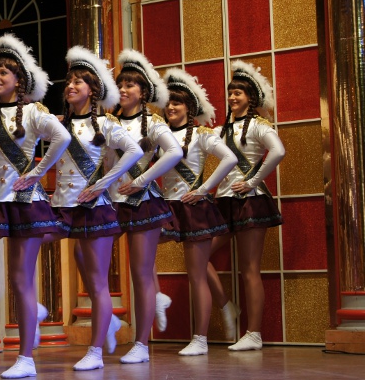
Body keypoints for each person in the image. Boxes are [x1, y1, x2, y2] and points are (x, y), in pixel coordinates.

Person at [0, 33, 70, 378]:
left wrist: (37, 172)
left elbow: (62, 137)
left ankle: (26, 359)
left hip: (24, 202)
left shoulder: (34, 112)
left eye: (4, 73)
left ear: (19, 81)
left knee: (21, 280)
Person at [51, 46, 143, 370]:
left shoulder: (106, 123)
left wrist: (104, 183)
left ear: (92, 90)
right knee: (63, 255)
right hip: (62, 207)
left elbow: (134, 152)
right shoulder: (58, 124)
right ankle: (108, 324)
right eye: (69, 81)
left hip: (93, 208)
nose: (71, 86)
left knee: (97, 281)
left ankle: (95, 352)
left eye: (78, 81)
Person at [105, 49, 181, 364]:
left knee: (140, 273)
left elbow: (174, 152)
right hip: (109, 201)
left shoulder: (154, 124)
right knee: (88, 260)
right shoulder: (107, 120)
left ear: (143, 91)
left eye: (130, 85)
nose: (123, 89)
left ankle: (141, 344)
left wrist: (142, 180)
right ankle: (109, 320)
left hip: (141, 202)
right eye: (121, 84)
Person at [208, 60, 285, 351]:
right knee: (199, 256)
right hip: (224, 201)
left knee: (250, 269)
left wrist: (252, 181)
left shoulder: (259, 126)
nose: (232, 97)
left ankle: (254, 333)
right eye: (230, 92)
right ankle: (226, 305)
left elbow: (278, 151)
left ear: (250, 97)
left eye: (238, 93)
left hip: (250, 201)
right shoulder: (220, 130)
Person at [158, 68, 236, 356]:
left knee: (196, 274)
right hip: (166, 206)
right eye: (168, 102)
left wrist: (204, 189)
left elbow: (229, 158)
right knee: (142, 250)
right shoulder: (160, 133)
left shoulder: (202, 134)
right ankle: (157, 298)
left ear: (189, 107)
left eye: (177, 102)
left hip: (193, 207)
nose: (171, 107)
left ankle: (200, 339)